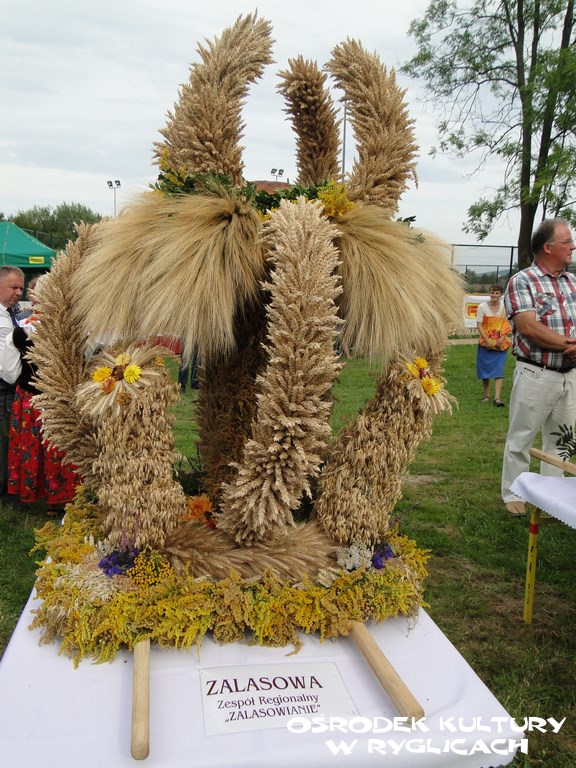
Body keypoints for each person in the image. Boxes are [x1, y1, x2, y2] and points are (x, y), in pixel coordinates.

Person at [501, 218, 576, 516]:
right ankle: (514, 493)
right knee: (521, 437)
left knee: (562, 438)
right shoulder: (523, 281)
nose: (573, 246)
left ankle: (551, 495)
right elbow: (528, 327)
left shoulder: (572, 282)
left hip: (570, 375)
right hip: (536, 373)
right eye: (567, 242)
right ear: (548, 247)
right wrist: (569, 345)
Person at [2, 277, 79, 513]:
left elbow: (9, 373)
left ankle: (35, 493)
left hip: (31, 399)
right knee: (61, 446)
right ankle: (63, 497)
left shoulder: (19, 331)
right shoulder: (75, 329)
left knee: (33, 447)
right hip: (63, 396)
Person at [0, 266, 24, 501]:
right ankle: (5, 489)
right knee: (5, 436)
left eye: (21, 288)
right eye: (13, 287)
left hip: (10, 383)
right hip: (4, 383)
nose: (18, 292)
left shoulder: (12, 312)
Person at [476, 284, 511, 406]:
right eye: (492, 292)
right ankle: (486, 395)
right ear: (489, 293)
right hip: (485, 342)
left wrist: (502, 338)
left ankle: (497, 398)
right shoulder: (482, 307)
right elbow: (479, 325)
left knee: (498, 369)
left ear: (501, 294)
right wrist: (486, 340)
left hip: (501, 344)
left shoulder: (504, 308)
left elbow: (507, 324)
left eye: (497, 293)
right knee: (484, 369)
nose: (494, 295)